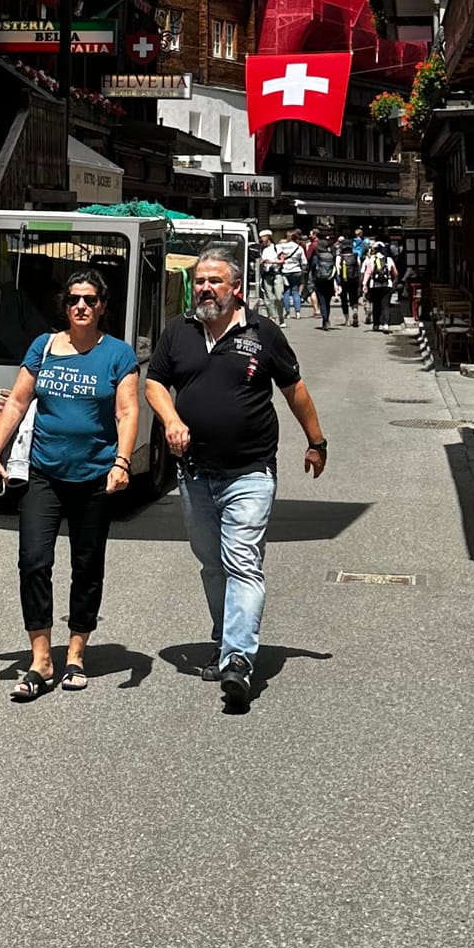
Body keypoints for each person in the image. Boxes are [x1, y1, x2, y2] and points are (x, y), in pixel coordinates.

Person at [146, 247, 326, 714]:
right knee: (212, 564)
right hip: (195, 475)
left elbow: (294, 389)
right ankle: (226, 636)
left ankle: (239, 661)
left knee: (242, 561)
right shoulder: (178, 332)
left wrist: (316, 441)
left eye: (215, 281)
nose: (205, 288)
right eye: (200, 281)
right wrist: (169, 419)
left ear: (236, 288)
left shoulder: (262, 333)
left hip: (250, 471)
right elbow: (154, 383)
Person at [0, 268, 138, 701]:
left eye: (89, 299)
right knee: (33, 561)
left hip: (94, 476)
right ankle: (40, 659)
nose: (81, 306)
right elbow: (17, 400)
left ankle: (76, 653)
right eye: (73, 300)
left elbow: (127, 412)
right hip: (43, 473)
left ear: (103, 305)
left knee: (87, 567)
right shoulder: (44, 347)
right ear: (64, 305)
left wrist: (122, 460)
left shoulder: (118, 355)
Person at [363, 240, 399, 331]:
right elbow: (395, 273)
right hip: (387, 285)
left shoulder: (372, 259)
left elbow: (368, 272)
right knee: (385, 305)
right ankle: (386, 324)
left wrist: (364, 284)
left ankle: (376, 324)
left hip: (374, 285)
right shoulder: (389, 259)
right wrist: (394, 281)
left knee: (376, 305)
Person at [308, 232, 339, 329]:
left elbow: (312, 269)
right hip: (329, 281)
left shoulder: (317, 257)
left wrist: (311, 281)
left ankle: (325, 319)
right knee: (327, 301)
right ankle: (327, 318)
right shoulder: (330, 257)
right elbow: (335, 269)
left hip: (319, 281)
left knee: (321, 301)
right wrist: (337, 282)